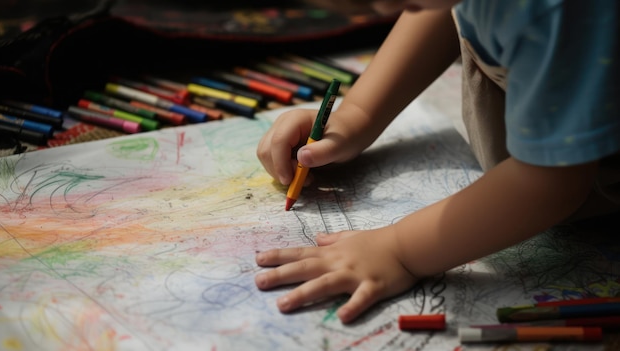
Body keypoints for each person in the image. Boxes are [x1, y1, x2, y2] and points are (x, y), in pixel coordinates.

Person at [254, 0, 620, 324]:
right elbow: (439, 11)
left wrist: (399, 250)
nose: (383, 9)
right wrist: (356, 117)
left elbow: (550, 182)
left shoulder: (556, 10)